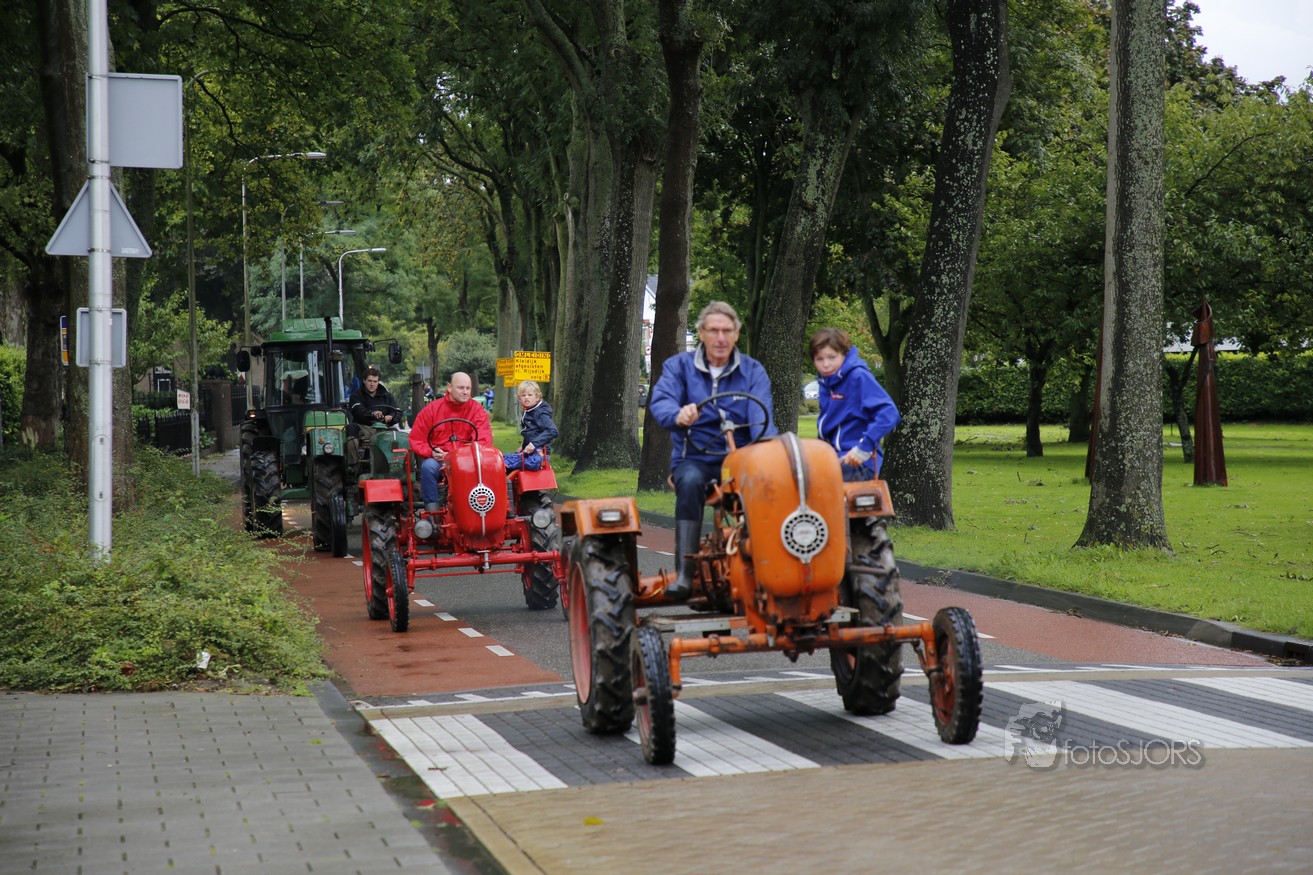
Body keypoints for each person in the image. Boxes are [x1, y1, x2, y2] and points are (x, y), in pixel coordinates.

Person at [648, 300, 776, 600]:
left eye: (727, 331)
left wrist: (766, 452)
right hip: (695, 457)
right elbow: (662, 402)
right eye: (714, 330)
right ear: (702, 333)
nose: (720, 338)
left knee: (771, 482)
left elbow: (762, 422)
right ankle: (685, 572)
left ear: (736, 334)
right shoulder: (679, 367)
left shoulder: (753, 371)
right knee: (691, 481)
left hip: (742, 458)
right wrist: (678, 415)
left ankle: (769, 564)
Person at [809, 327, 900, 481]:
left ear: (844, 354)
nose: (826, 364)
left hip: (858, 461)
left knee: (809, 479)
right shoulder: (826, 382)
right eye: (820, 359)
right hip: (832, 456)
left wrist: (863, 448)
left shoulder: (857, 376)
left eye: (832, 357)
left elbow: (889, 412)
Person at [409, 371, 493, 510]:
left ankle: (482, 506)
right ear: (449, 387)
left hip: (467, 460)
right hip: (439, 460)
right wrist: (431, 452)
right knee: (428, 467)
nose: (465, 392)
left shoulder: (476, 410)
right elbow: (416, 439)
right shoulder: (432, 410)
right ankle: (432, 512)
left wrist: (460, 454)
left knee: (490, 467)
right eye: (461, 388)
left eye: (468, 388)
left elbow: (483, 439)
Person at [505, 380, 558, 471]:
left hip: (539, 455)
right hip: (530, 452)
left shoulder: (540, 413)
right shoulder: (529, 410)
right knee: (502, 459)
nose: (526, 397)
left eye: (530, 395)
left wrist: (533, 445)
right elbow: (532, 432)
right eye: (523, 395)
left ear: (537, 397)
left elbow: (552, 430)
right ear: (519, 399)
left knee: (507, 463)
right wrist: (523, 446)